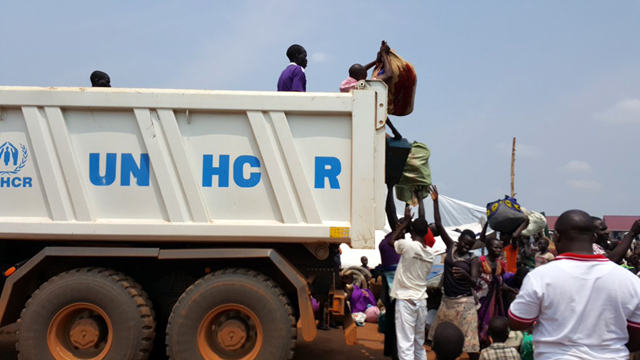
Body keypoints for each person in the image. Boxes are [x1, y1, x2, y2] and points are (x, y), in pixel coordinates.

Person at [509, 210, 640, 359]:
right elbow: (636, 338)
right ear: (594, 237)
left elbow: (517, 322)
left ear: (556, 236)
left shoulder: (540, 277)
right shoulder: (631, 281)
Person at [428, 185, 480, 359]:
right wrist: (435, 202)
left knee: (471, 344)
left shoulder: (472, 258)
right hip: (447, 302)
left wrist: (465, 276)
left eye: (470, 245)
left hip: (465, 303)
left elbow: (475, 282)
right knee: (441, 342)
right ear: (459, 240)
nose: (466, 247)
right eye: (465, 243)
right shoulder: (451, 247)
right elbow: (439, 224)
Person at [388, 203, 434, 360]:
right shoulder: (430, 254)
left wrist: (405, 223)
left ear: (411, 231)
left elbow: (391, 241)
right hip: (421, 301)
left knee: (405, 345)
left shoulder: (407, 246)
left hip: (406, 300)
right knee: (418, 345)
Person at [476, 230, 518, 348]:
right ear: (488, 248)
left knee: (494, 321)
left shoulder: (501, 264)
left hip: (496, 298)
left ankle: (490, 344)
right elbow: (474, 280)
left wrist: (511, 290)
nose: (499, 250)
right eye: (496, 248)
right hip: (482, 297)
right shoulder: (480, 261)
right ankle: (481, 345)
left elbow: (501, 283)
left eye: (500, 248)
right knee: (480, 320)